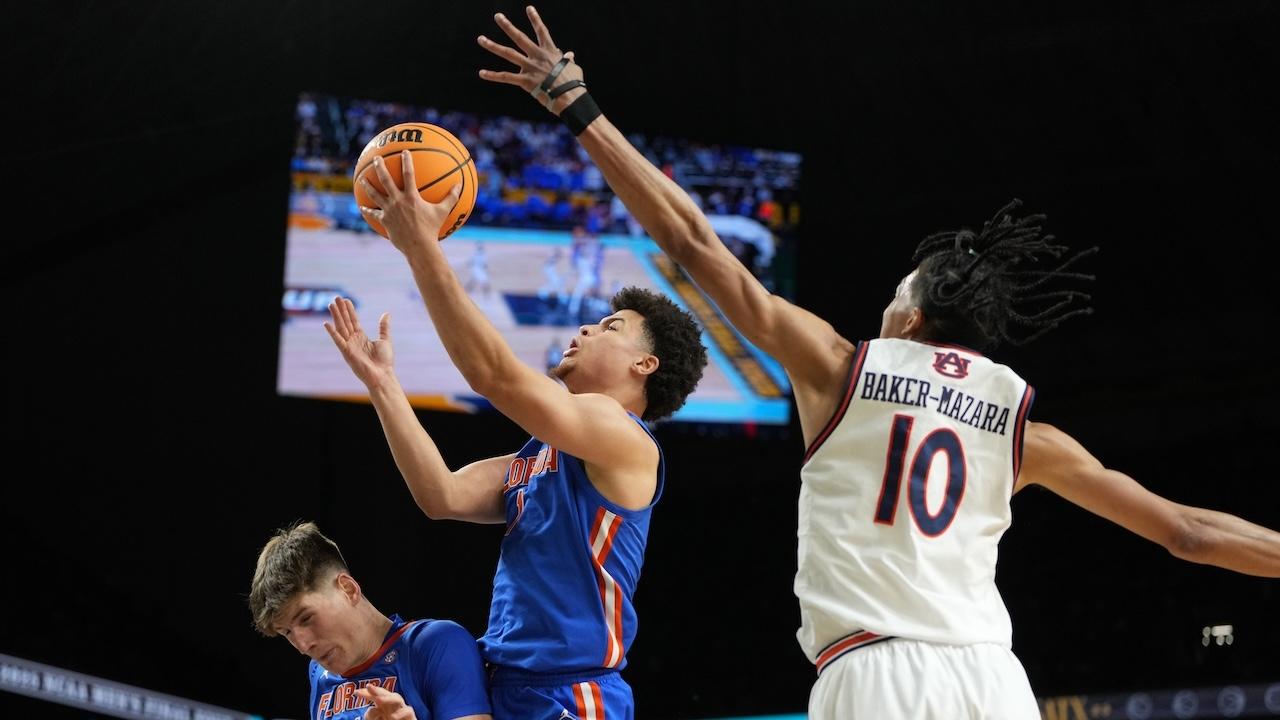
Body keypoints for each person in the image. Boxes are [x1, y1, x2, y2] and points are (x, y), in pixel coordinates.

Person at [476, 7, 1280, 718]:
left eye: (896, 296)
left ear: (913, 318)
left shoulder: (839, 368)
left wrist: (578, 107)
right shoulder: (1023, 434)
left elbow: (691, 241)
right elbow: (1188, 533)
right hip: (995, 681)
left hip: (874, 672)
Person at [327, 156, 708, 718]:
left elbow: (494, 376)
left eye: (611, 328)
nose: (586, 328)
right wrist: (383, 384)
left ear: (644, 365)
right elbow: (441, 495)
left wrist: (420, 245)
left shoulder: (627, 441)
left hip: (573, 694)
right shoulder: (540, 456)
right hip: (506, 683)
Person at [248, 521, 492, 720]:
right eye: (287, 632)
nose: (303, 646)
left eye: (306, 618)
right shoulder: (318, 672)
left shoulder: (438, 644)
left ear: (348, 589)